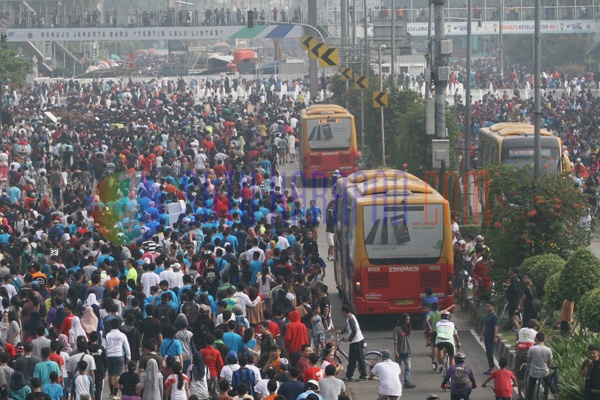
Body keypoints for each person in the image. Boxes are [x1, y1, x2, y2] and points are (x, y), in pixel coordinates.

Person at [526, 332, 558, 400]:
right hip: (544, 372)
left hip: (534, 372)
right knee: (550, 384)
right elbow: (549, 362)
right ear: (544, 339)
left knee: (531, 388)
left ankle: (529, 398)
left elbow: (528, 361)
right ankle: (556, 395)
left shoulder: (532, 349)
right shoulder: (548, 349)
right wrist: (547, 365)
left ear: (536, 339)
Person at [340, 304, 366, 382]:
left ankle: (363, 375)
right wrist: (341, 332)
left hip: (357, 341)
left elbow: (354, 331)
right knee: (352, 359)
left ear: (344, 312)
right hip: (354, 342)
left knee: (359, 359)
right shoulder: (349, 318)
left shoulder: (351, 319)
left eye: (342, 312)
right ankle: (349, 376)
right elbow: (347, 327)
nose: (342, 313)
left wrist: (348, 339)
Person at [514, 319, 539, 399]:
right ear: (535, 326)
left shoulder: (521, 330)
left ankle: (519, 394)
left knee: (519, 374)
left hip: (520, 352)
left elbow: (517, 340)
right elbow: (538, 343)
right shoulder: (535, 333)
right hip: (529, 352)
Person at [393, 313, 415, 389]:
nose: (408, 321)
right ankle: (396, 382)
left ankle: (407, 381)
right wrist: (396, 351)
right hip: (400, 351)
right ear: (403, 320)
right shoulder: (397, 329)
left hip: (407, 351)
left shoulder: (408, 328)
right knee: (397, 368)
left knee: (408, 367)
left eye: (409, 319)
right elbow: (395, 341)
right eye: (406, 319)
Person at [479, 300, 499, 375]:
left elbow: (496, 327)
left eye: (488, 306)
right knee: (488, 353)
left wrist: (495, 337)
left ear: (492, 307)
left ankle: (492, 368)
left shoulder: (494, 316)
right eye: (486, 306)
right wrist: (481, 334)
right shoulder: (488, 315)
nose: (487, 308)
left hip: (491, 337)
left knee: (490, 352)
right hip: (487, 337)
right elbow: (485, 325)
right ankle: (491, 367)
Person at [504, 267, 522, 331]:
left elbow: (514, 289)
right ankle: (516, 327)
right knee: (515, 313)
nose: (509, 271)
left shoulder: (514, 279)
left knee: (514, 314)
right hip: (516, 299)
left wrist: (508, 289)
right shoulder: (517, 279)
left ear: (513, 271)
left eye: (510, 270)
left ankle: (517, 328)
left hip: (513, 299)